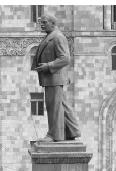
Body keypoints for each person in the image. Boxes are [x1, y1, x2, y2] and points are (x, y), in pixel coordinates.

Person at [32, 14, 81, 143]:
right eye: (41, 22)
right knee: (61, 106)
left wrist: (48, 66)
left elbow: (65, 58)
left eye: (44, 22)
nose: (42, 24)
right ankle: (72, 131)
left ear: (53, 24)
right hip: (51, 78)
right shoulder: (50, 37)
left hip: (55, 77)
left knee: (54, 107)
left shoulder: (58, 37)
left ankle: (54, 135)